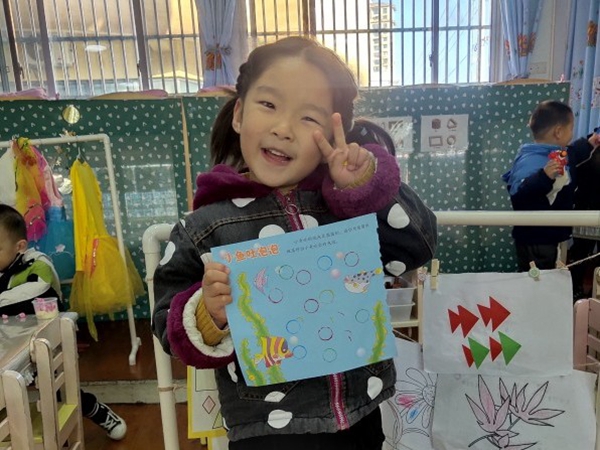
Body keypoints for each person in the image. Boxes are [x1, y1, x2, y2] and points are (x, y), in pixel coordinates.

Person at [152, 36, 437, 449]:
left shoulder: (346, 205)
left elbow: (417, 247)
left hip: (359, 418)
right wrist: (207, 314)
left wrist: (365, 188)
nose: (283, 129)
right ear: (238, 114)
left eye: (308, 117)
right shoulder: (204, 227)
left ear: (334, 134)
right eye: (268, 104)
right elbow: (165, 320)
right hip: (266, 431)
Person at [0, 203, 127, 441]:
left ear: (20, 246)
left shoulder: (37, 263)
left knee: (59, 391)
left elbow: (37, 288)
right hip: (11, 346)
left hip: (47, 341)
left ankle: (95, 411)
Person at [501, 100, 590, 272]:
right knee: (538, 280)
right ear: (558, 131)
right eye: (571, 129)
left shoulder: (554, 153)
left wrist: (590, 142)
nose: (572, 134)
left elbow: (573, 153)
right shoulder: (532, 159)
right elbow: (519, 196)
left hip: (549, 235)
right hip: (536, 239)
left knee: (548, 277)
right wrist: (544, 176)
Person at [566, 126, 600, 300]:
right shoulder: (578, 148)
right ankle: (574, 290)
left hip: (591, 206)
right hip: (584, 208)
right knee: (581, 252)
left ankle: (594, 293)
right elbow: (570, 179)